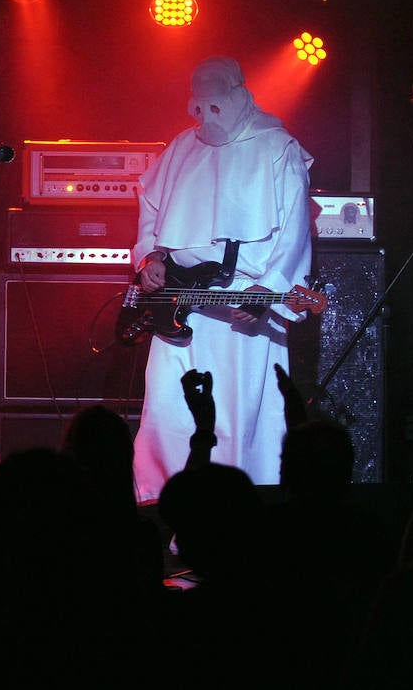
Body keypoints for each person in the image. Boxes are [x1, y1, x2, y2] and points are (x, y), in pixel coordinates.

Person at [130, 56, 314, 503]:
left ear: (239, 93)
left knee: (238, 414)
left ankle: (238, 516)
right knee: (168, 410)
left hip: (242, 311)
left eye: (217, 101)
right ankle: (165, 507)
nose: (207, 113)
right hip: (179, 304)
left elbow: (293, 231)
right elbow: (150, 210)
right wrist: (149, 257)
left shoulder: (277, 148)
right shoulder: (180, 148)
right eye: (200, 101)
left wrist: (266, 288)